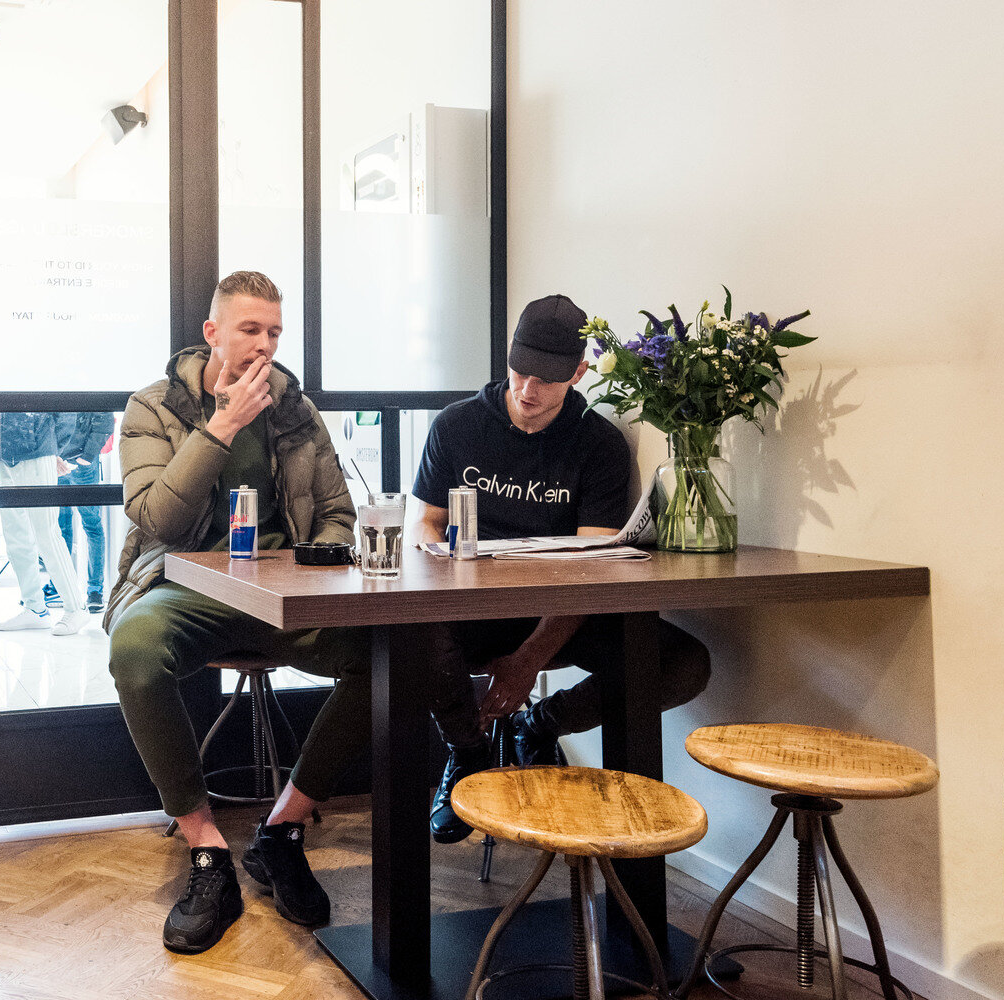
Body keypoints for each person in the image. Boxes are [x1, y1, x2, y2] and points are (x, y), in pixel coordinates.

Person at [106, 270, 367, 954]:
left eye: (274, 333)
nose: (263, 347)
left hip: (285, 592)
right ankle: (207, 848)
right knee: (135, 651)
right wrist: (221, 425)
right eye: (250, 330)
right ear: (212, 332)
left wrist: (320, 563)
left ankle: (282, 830)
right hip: (185, 583)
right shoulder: (154, 406)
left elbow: (338, 514)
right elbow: (155, 515)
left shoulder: (295, 410)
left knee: (392, 653)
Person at [412, 294, 713, 844]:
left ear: (577, 372)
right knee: (411, 631)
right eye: (519, 372)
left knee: (683, 662)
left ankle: (541, 724)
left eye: (546, 380)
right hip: (470, 608)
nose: (527, 392)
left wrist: (528, 662)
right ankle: (467, 751)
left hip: (558, 614)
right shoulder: (457, 426)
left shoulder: (598, 444)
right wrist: (445, 576)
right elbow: (425, 525)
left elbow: (588, 570)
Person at [0, 412, 92, 635]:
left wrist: (54, 450)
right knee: (15, 536)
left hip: (37, 449)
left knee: (47, 533)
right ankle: (34, 607)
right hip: (3, 451)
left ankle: (76, 607)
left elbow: (64, 411)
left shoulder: (41, 376)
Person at [56, 411, 117, 612]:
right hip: (57, 463)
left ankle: (94, 591)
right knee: (59, 528)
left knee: (91, 525)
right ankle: (63, 588)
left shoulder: (87, 380)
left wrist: (88, 456)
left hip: (82, 464)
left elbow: (105, 420)